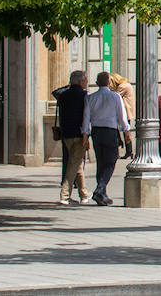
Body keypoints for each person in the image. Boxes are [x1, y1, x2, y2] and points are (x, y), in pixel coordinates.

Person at [82, 70, 132, 206]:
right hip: (110, 132)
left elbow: (86, 119)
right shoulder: (115, 97)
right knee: (110, 162)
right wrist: (127, 132)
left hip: (96, 132)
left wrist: (85, 137)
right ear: (109, 83)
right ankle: (100, 189)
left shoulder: (90, 98)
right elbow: (122, 117)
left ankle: (102, 193)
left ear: (97, 83)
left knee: (101, 161)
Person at [52, 70, 90, 205]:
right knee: (73, 165)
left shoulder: (63, 95)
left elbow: (55, 92)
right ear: (81, 82)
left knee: (77, 163)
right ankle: (65, 195)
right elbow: (86, 117)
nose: (87, 82)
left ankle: (84, 194)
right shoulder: (85, 96)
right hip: (79, 134)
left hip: (66, 133)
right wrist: (86, 135)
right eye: (85, 80)